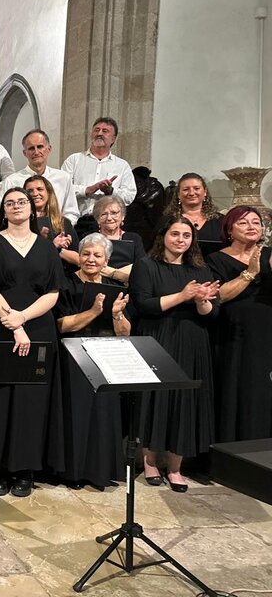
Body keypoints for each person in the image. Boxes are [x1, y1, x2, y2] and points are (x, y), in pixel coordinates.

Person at [0, 187, 64, 498]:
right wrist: (13, 323)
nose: (15, 206)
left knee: (30, 402)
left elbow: (53, 293)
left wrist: (23, 319)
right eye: (9, 203)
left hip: (37, 329)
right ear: (3, 210)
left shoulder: (47, 248)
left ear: (32, 208)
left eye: (21, 202)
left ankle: (24, 469)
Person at [131, 217, 219, 492]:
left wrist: (202, 300)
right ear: (163, 236)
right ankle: (150, 463)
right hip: (158, 338)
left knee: (185, 401)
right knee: (155, 400)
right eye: (175, 234)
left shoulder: (200, 269)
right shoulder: (146, 265)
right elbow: (144, 305)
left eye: (186, 235)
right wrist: (182, 296)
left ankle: (176, 467)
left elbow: (212, 314)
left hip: (192, 341)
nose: (181, 239)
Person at [55, 233, 132, 489]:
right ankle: (72, 473)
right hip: (73, 357)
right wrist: (93, 312)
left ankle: (99, 471)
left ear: (106, 260)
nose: (91, 259)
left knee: (102, 414)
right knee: (75, 413)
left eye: (97, 255)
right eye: (86, 253)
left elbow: (125, 333)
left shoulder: (115, 289)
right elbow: (62, 325)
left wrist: (116, 315)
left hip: (104, 357)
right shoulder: (66, 284)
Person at [207, 207, 272, 442]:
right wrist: (250, 273)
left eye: (257, 222)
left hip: (266, 332)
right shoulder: (216, 258)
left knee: (263, 387)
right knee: (236, 386)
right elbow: (218, 296)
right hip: (233, 332)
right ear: (229, 230)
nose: (252, 226)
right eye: (244, 223)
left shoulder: (269, 255)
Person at [60, 117, 137, 235]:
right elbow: (61, 189)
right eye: (96, 130)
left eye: (105, 131)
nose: (99, 133)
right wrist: (87, 189)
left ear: (113, 139)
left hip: (107, 225)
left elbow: (129, 196)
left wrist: (110, 191)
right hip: (76, 223)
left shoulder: (122, 165)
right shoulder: (74, 160)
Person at [0, 130, 78, 225]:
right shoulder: (12, 181)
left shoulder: (63, 178)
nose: (36, 152)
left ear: (49, 149)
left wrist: (59, 230)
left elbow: (71, 213)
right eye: (31, 148)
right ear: (25, 153)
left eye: (40, 147)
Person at [23, 175, 79, 271]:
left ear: (49, 193)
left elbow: (78, 258)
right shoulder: (21, 224)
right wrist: (53, 247)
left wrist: (62, 251)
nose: (35, 193)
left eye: (40, 189)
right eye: (30, 191)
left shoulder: (64, 223)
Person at [92, 194, 146, 283]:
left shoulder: (134, 238)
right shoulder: (91, 238)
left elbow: (142, 267)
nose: (109, 218)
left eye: (114, 213)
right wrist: (123, 274)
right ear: (97, 219)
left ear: (122, 216)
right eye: (104, 214)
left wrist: (112, 273)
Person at [162, 172, 223, 242]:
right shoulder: (166, 221)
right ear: (178, 194)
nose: (191, 193)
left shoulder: (221, 221)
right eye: (186, 189)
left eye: (196, 188)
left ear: (205, 192)